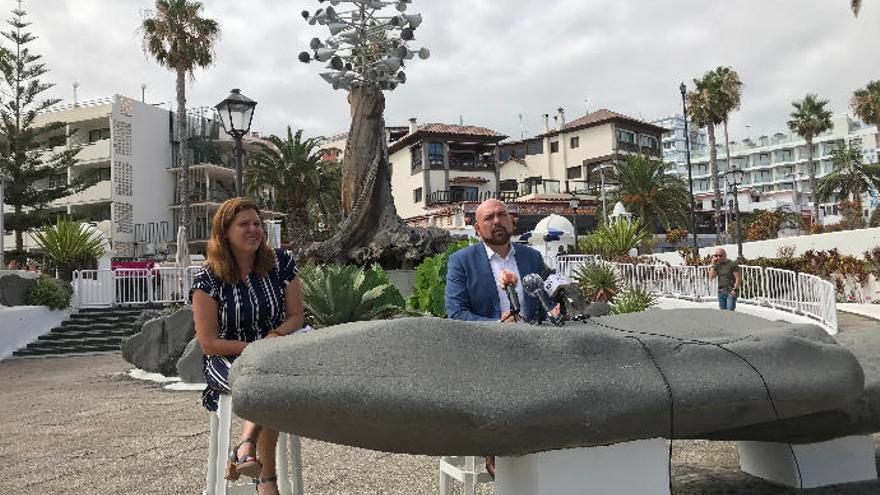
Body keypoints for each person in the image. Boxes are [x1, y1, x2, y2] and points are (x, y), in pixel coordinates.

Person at [190, 197, 306, 495]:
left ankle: (246, 446)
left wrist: (274, 338)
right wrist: (253, 348)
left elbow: (296, 316)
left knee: (272, 375)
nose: (253, 229)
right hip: (227, 356)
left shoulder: (281, 263)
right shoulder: (207, 279)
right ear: (225, 232)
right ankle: (265, 480)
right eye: (244, 224)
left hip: (275, 346)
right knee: (267, 380)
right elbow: (209, 343)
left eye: (257, 223)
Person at [444, 198, 547, 477]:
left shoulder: (532, 258)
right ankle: (496, 450)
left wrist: (555, 308)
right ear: (477, 228)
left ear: (512, 220)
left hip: (533, 348)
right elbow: (455, 313)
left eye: (502, 215)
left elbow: (544, 301)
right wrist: (496, 325)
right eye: (488, 218)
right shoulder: (461, 262)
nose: (497, 221)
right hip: (487, 351)